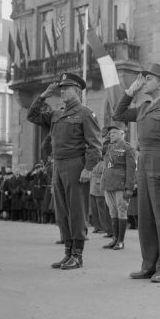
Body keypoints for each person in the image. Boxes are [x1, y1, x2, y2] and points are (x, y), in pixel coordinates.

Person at [113, 63, 160, 283]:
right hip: (144, 163)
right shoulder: (145, 106)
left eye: (148, 79)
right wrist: (130, 91)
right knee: (145, 219)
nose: (144, 81)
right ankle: (148, 265)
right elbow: (118, 114)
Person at [28, 72, 102, 270]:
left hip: (75, 165)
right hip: (58, 165)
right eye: (61, 88)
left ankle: (77, 255)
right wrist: (43, 96)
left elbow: (95, 145)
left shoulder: (85, 113)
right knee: (62, 212)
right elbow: (32, 116)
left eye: (66, 88)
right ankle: (68, 252)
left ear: (77, 91)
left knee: (77, 211)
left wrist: (88, 168)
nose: (62, 91)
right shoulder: (57, 113)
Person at [100, 124, 137, 250]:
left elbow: (131, 170)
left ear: (122, 134)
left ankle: (120, 241)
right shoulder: (109, 147)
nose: (111, 135)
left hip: (121, 184)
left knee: (122, 210)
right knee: (112, 211)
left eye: (115, 133)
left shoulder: (128, 148)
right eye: (110, 133)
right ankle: (114, 238)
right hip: (108, 183)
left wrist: (129, 188)